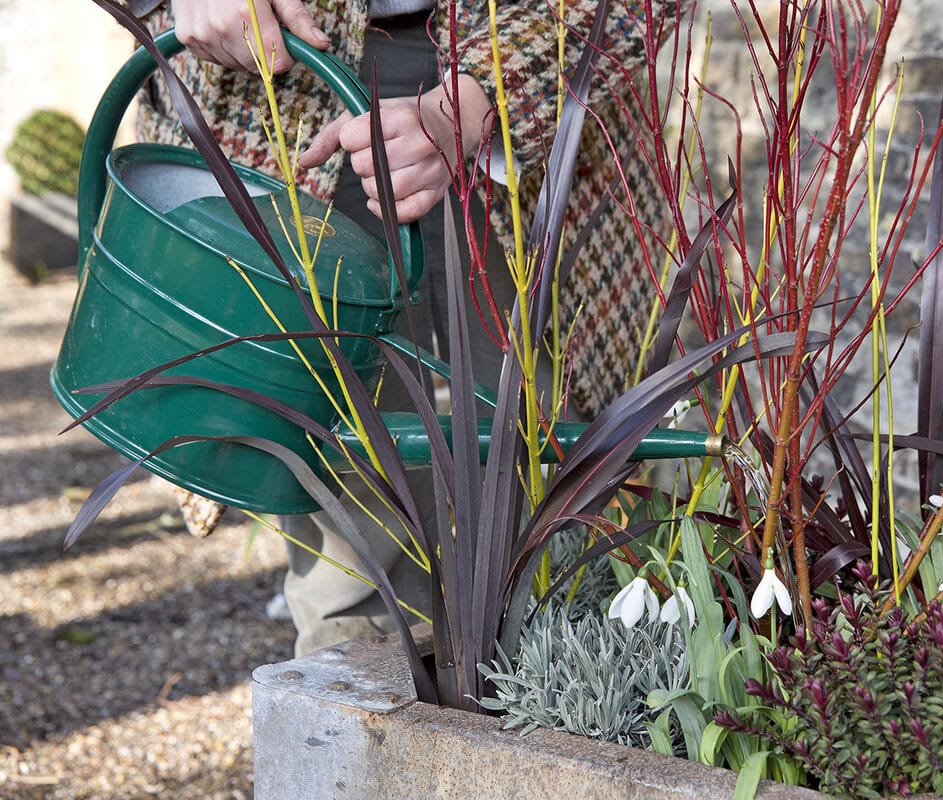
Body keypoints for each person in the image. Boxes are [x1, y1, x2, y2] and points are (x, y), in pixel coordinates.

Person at [133, 0, 670, 655]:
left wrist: (488, 93)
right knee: (348, 546)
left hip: (533, 85)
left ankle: (578, 745)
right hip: (273, 80)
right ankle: (367, 746)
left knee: (570, 498)